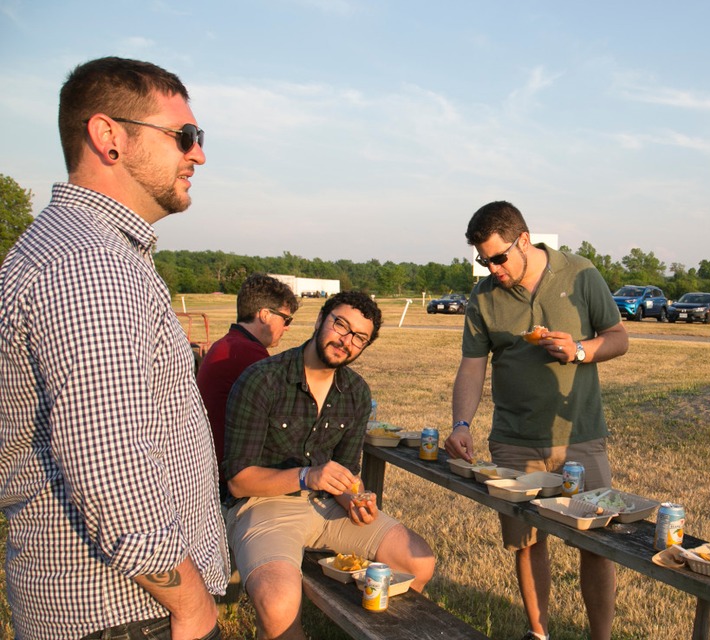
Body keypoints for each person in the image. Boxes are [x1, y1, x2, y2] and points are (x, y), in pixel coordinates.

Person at [0, 57, 228, 639]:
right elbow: (110, 465)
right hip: (126, 612)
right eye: (184, 135)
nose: (198, 154)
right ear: (109, 137)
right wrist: (191, 603)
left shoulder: (76, 248)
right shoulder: (90, 264)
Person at [445, 201, 629, 640]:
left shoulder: (580, 273)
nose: (492, 269)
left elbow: (618, 337)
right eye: (484, 261)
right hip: (514, 440)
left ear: (523, 240)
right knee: (527, 544)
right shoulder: (484, 297)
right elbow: (472, 365)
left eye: (498, 257)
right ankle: (539, 633)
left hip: (579, 435)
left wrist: (579, 350)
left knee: (595, 544)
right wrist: (461, 424)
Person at [223, 290, 435, 640]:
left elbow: (347, 472)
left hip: (327, 507)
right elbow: (239, 482)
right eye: (341, 325)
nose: (346, 340)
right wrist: (308, 476)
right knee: (278, 604)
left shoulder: (355, 392)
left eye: (359, 338)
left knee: (419, 562)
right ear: (321, 319)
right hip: (263, 505)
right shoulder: (262, 379)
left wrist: (355, 499)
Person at [196, 272, 299, 495]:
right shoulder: (247, 353)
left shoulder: (228, 344)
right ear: (265, 315)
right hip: (226, 479)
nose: (287, 327)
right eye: (286, 319)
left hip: (209, 465)